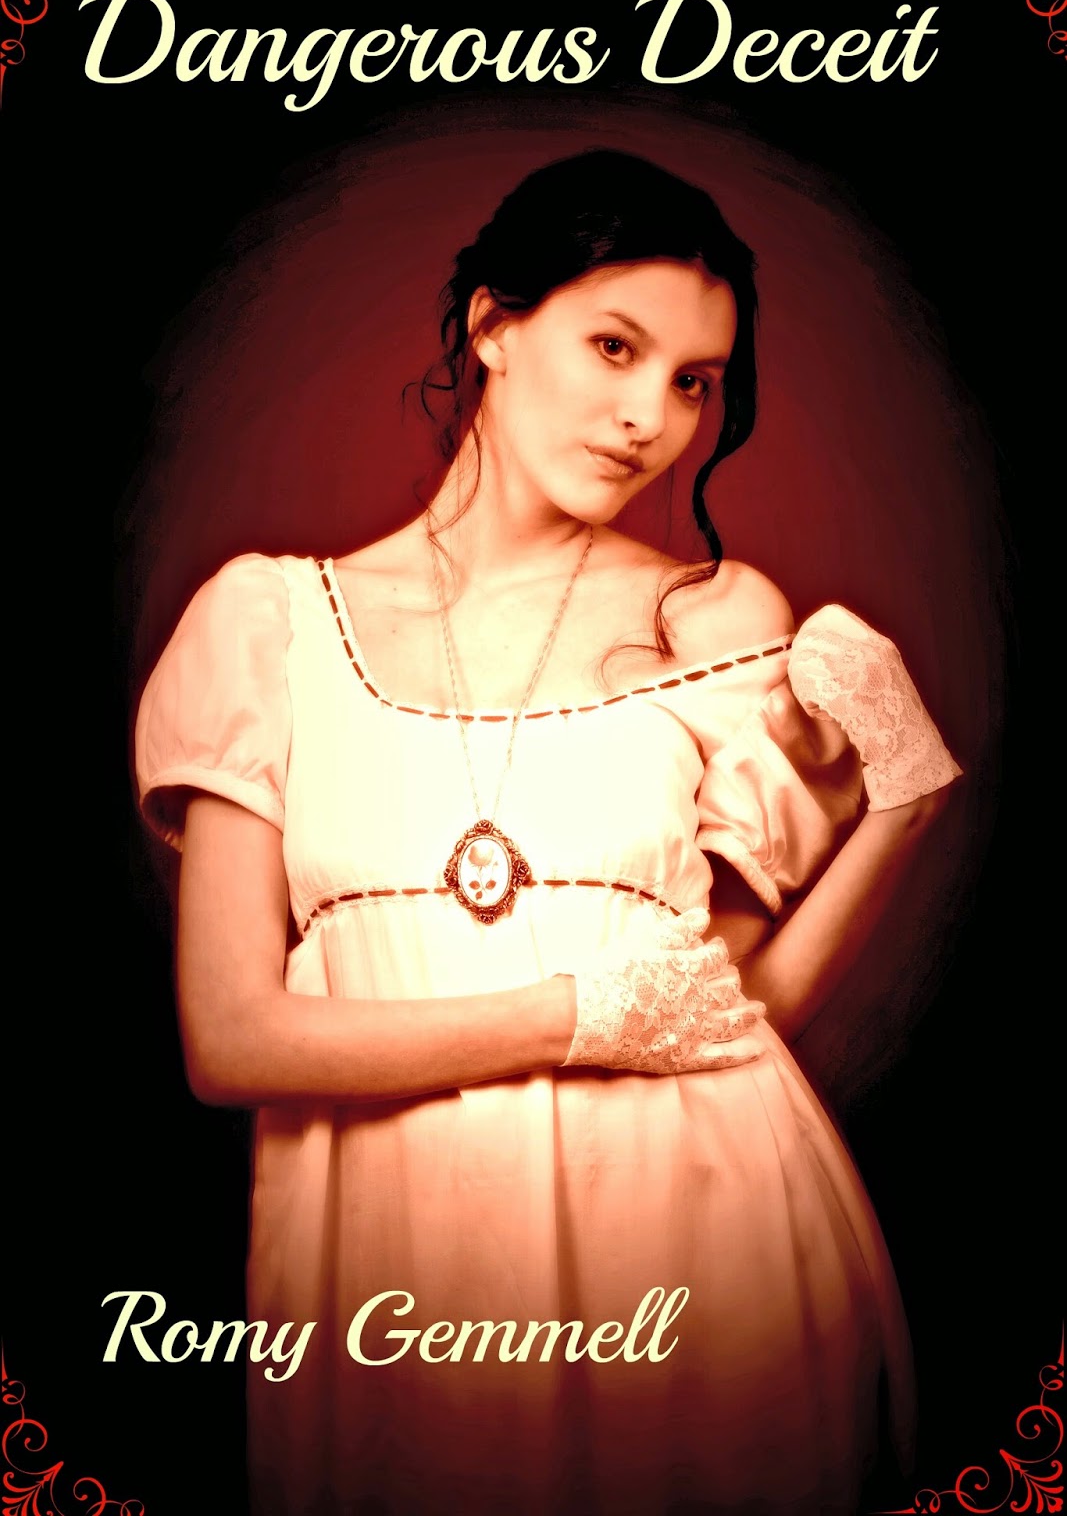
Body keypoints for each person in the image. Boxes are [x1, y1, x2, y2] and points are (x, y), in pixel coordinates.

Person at [133, 149, 962, 1516]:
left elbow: (730, 1008)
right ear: (494, 327)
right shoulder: (267, 623)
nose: (650, 417)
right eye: (616, 347)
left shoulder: (716, 620)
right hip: (393, 1261)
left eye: (693, 382)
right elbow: (230, 1041)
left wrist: (909, 800)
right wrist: (568, 1015)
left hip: (698, 1239)